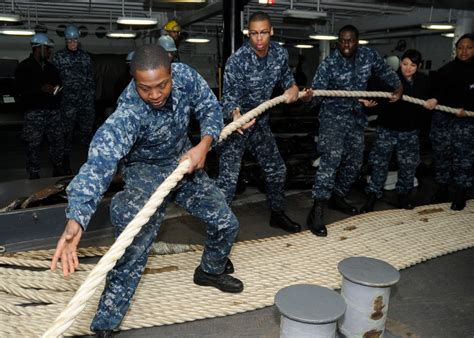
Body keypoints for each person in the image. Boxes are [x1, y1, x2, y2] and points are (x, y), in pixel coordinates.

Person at [50, 45, 243, 337]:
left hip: (184, 162)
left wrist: (202, 146)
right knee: (131, 250)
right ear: (133, 80)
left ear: (171, 71)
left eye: (162, 85)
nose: (155, 95)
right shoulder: (129, 111)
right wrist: (77, 217)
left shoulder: (185, 77)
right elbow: (100, 161)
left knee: (227, 223)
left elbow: (208, 108)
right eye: (145, 88)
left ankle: (210, 270)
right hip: (143, 173)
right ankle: (105, 324)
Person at [300, 25, 403, 236]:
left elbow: (385, 71)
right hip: (333, 118)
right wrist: (310, 98)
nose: (346, 45)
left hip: (356, 117)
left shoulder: (368, 56)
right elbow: (316, 93)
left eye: (351, 40)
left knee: (355, 163)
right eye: (343, 41)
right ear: (338, 42)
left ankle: (338, 196)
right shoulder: (329, 64)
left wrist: (398, 87)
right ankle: (317, 209)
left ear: (357, 41)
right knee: (331, 159)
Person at [216, 11, 301, 233]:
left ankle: (277, 213)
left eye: (264, 32)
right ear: (248, 34)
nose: (259, 39)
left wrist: (293, 87)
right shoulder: (237, 61)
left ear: (271, 31)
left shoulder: (280, 54)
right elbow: (229, 98)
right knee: (227, 183)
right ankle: (219, 231)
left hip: (261, 125)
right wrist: (236, 117)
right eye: (254, 34)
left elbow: (286, 78)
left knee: (277, 170)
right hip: (237, 128)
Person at [359, 49, 438, 213]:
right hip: (387, 129)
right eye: (405, 64)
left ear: (419, 66)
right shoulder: (389, 79)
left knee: (408, 166)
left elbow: (436, 94)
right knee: (379, 164)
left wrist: (434, 100)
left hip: (409, 131)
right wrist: (368, 105)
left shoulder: (424, 81)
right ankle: (373, 195)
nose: (408, 68)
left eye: (413, 65)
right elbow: (376, 98)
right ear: (400, 63)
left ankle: (404, 195)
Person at [430, 33, 474, 211]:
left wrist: (468, 111)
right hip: (443, 120)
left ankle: (460, 193)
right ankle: (442, 188)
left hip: (467, 122)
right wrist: (433, 99)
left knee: (463, 159)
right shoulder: (445, 71)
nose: (464, 51)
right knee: (441, 156)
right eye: (460, 47)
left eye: (469, 47)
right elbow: (435, 93)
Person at [14, 33, 65, 179]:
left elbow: (60, 88)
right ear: (38, 48)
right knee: (33, 143)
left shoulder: (52, 68)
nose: (49, 51)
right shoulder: (24, 67)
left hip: (52, 111)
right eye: (47, 49)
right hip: (34, 112)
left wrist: (54, 90)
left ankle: (57, 167)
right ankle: (34, 171)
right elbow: (19, 91)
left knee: (57, 141)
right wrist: (40, 89)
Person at [52, 24, 95, 175]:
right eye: (70, 41)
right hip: (67, 103)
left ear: (78, 40)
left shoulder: (85, 57)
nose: (72, 43)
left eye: (75, 40)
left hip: (85, 103)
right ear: (66, 41)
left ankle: (91, 163)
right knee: (66, 134)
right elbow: (54, 80)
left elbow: (90, 79)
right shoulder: (58, 57)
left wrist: (90, 99)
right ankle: (64, 162)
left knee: (87, 133)